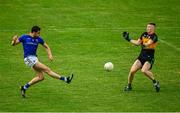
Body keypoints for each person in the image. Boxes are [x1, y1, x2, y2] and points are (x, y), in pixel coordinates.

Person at [11, 26, 74, 97]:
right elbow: (14, 44)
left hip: (34, 58)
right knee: (47, 69)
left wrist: (50, 55)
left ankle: (24, 87)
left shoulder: (38, 39)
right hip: (28, 58)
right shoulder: (24, 37)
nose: (39, 35)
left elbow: (46, 46)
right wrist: (13, 40)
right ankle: (65, 79)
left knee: (41, 77)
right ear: (33, 32)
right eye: (38, 33)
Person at [122, 23, 160, 92]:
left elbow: (149, 43)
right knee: (132, 71)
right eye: (147, 27)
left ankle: (155, 82)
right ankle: (129, 86)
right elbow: (137, 43)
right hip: (141, 56)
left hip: (149, 57)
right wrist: (128, 39)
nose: (148, 28)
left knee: (144, 70)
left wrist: (144, 44)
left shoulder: (154, 36)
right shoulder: (144, 34)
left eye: (150, 27)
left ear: (153, 28)